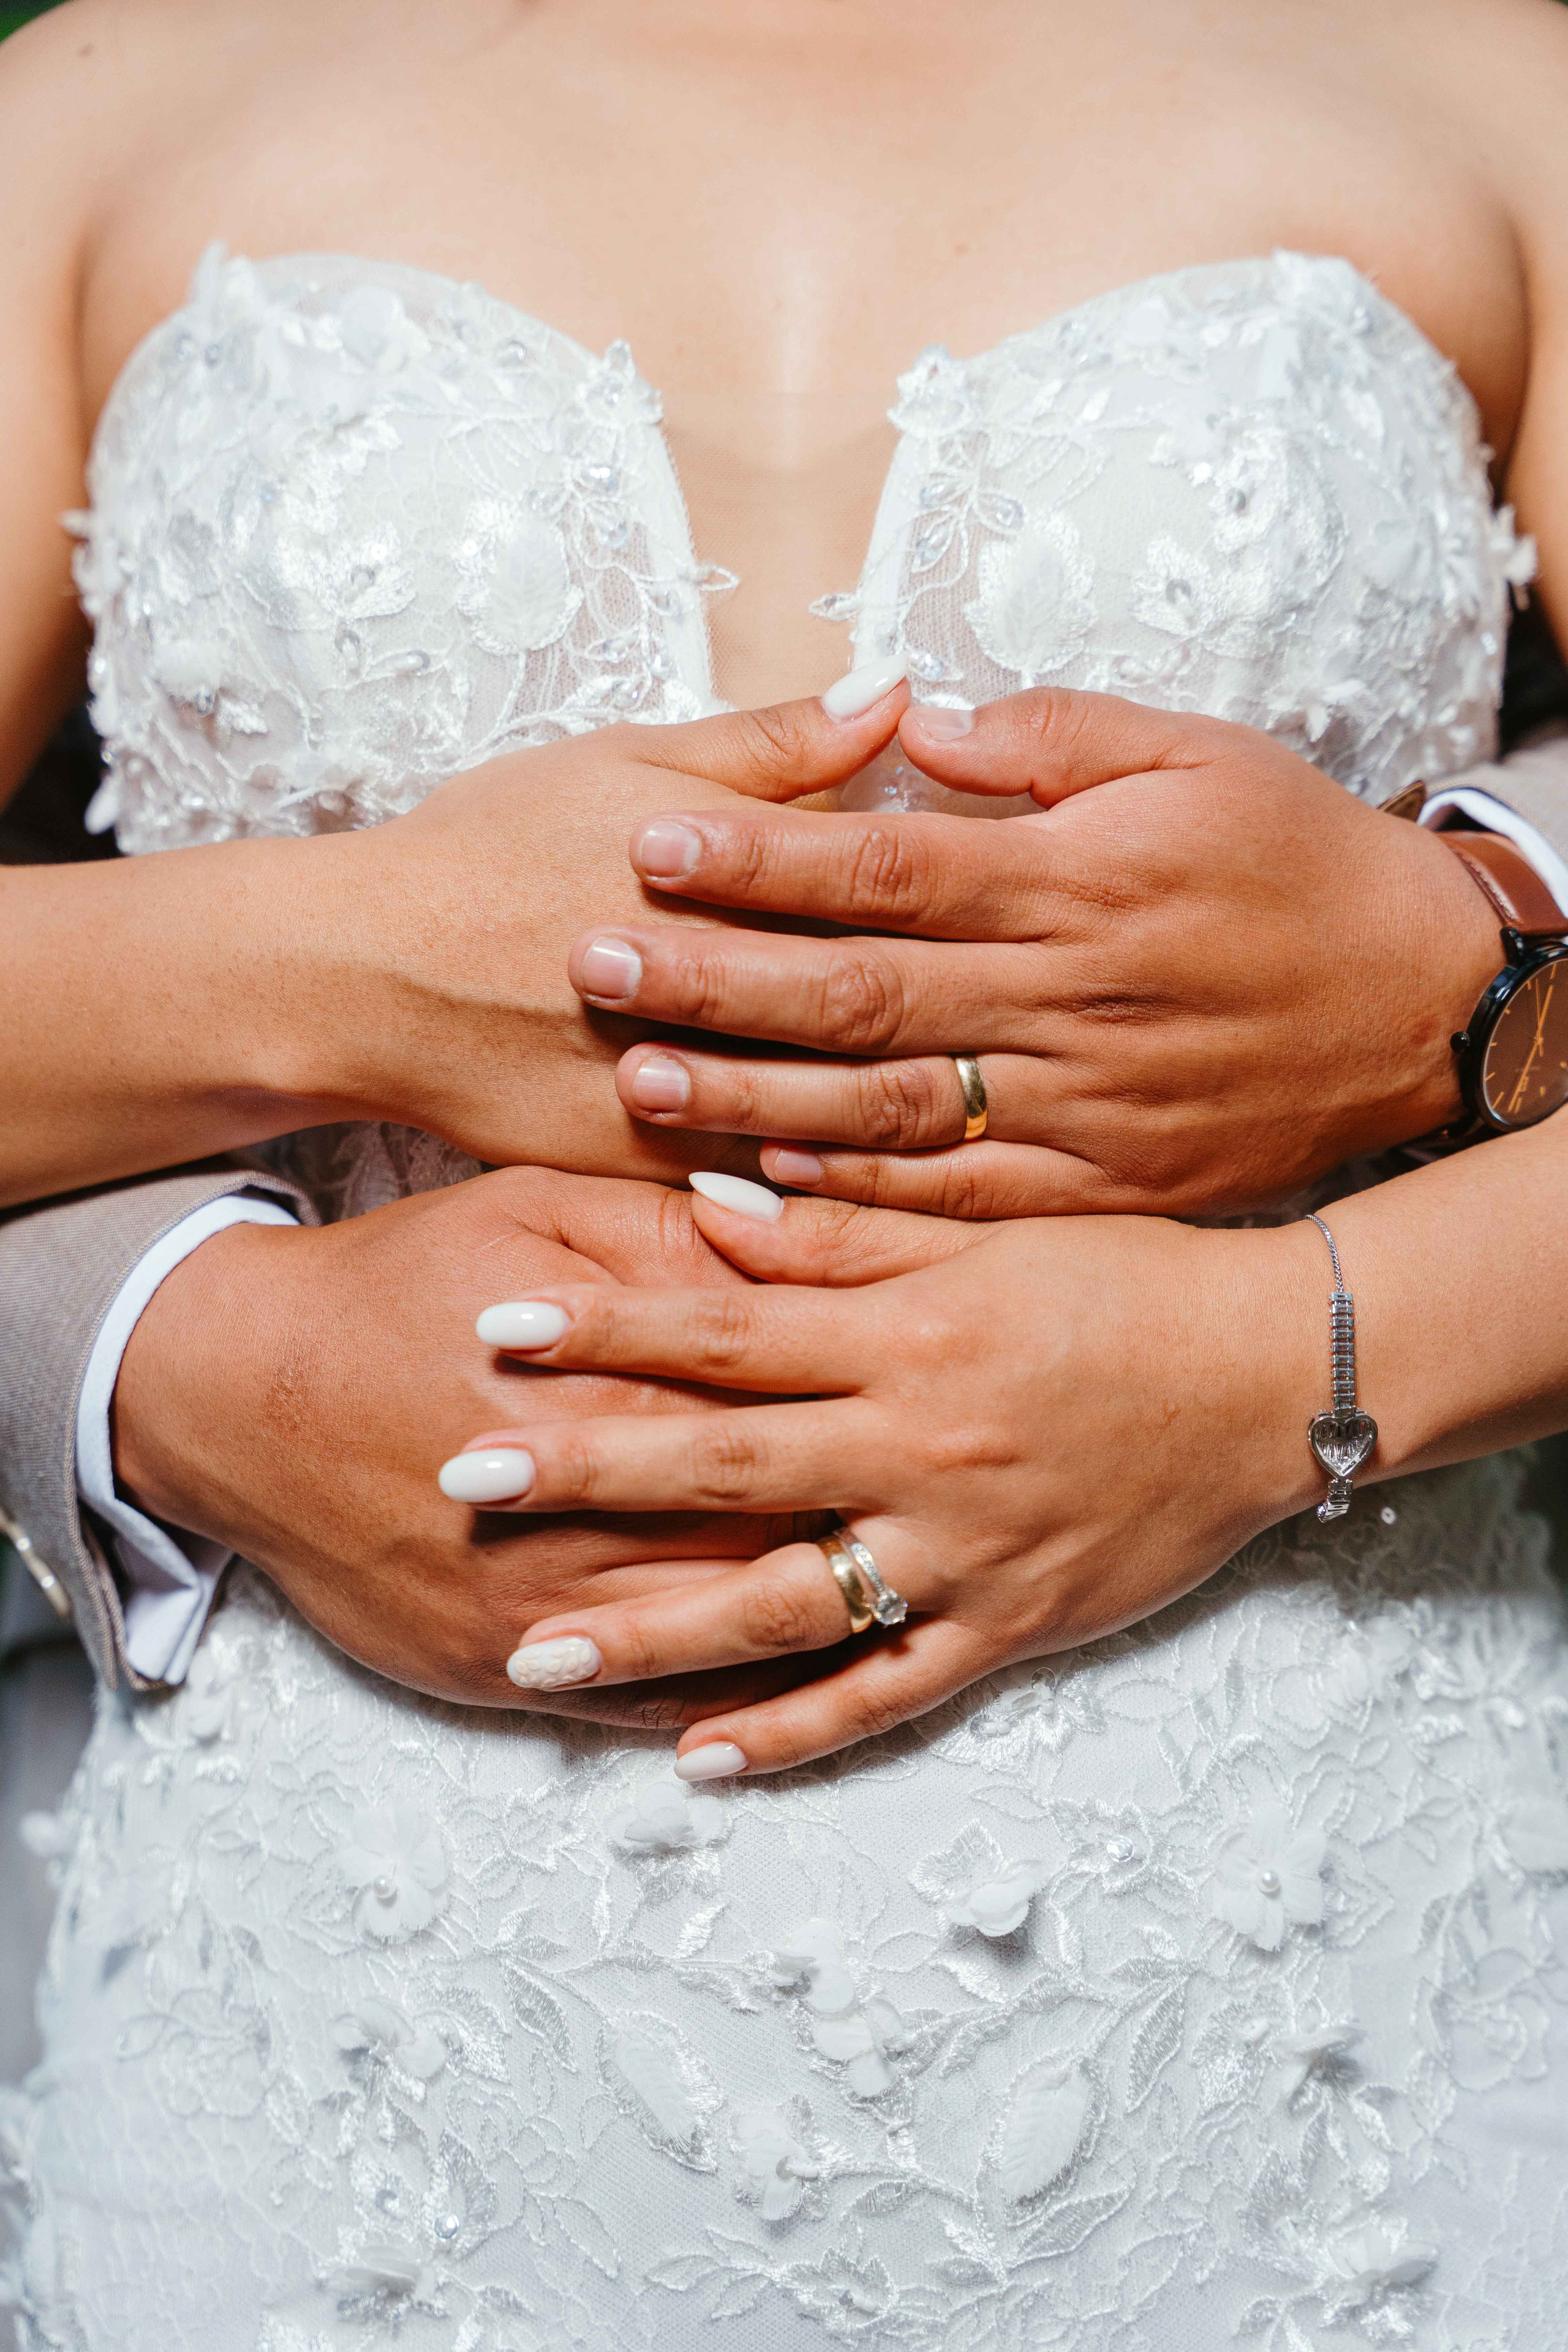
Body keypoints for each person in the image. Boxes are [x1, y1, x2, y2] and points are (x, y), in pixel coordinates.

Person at [4, 0, 1568, 2342]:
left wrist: (1280, 1356)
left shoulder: (1492, 79)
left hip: (1342, 2047)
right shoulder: (102, 108)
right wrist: (223, 1238)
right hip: (341, 2090)